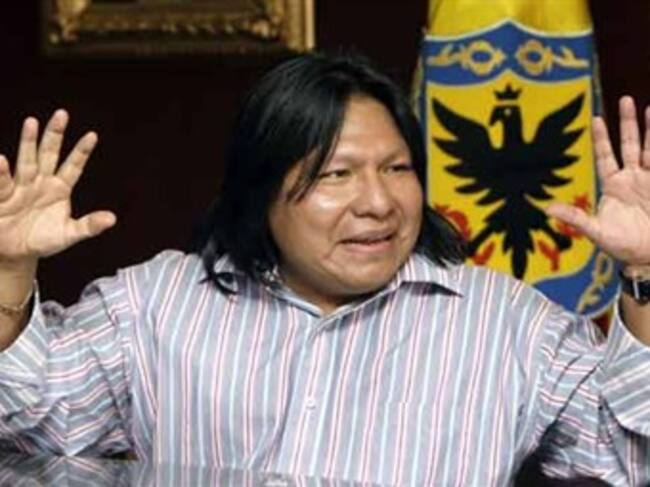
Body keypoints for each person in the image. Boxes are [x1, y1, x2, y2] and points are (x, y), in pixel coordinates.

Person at [0, 51, 649, 486]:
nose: (378, 202)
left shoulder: (504, 323)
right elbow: (33, 422)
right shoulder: (157, 303)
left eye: (397, 168)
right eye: (337, 175)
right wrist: (8, 271)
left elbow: (626, 454)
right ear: (261, 189)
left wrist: (645, 271)